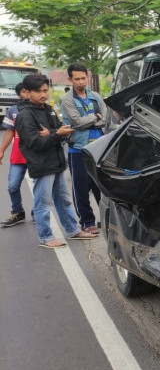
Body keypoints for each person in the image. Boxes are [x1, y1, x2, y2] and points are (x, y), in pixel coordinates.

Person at [15, 73, 96, 248]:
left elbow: (59, 131)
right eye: (38, 91)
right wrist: (56, 134)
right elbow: (34, 142)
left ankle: (72, 230)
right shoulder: (25, 115)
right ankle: (45, 237)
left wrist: (53, 133)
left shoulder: (48, 109)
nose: (43, 94)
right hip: (42, 164)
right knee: (43, 203)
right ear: (27, 92)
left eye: (45, 90)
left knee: (63, 200)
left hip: (57, 161)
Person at [60, 64, 107, 234]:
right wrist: (95, 117)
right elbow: (75, 122)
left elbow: (105, 119)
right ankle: (87, 222)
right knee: (80, 188)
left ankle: (106, 219)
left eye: (83, 78)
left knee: (100, 186)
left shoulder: (95, 96)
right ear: (70, 80)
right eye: (77, 79)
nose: (81, 82)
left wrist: (89, 121)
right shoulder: (67, 99)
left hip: (98, 148)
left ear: (87, 77)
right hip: (78, 149)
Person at [0, 83, 29, 227]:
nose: (28, 94)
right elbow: (10, 131)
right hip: (18, 156)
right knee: (12, 186)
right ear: (19, 94)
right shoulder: (13, 110)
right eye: (24, 91)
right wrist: (2, 150)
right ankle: (18, 212)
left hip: (37, 156)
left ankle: (38, 212)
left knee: (40, 187)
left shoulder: (42, 109)